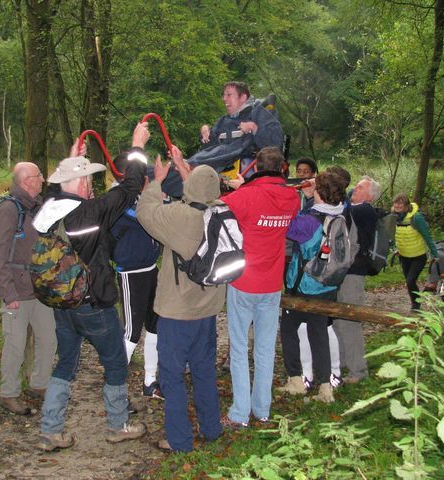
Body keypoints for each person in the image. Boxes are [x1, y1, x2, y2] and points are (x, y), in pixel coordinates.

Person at [35, 125, 149, 452]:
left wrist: (72, 159)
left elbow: (58, 189)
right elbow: (129, 188)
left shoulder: (48, 208)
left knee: (65, 363)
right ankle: (118, 425)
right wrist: (137, 146)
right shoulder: (90, 212)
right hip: (93, 303)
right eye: (88, 178)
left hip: (61, 302)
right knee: (114, 362)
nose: (91, 184)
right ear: (83, 183)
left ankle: (50, 430)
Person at [137, 148, 226, 452]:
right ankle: (211, 429)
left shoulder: (179, 217)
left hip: (177, 314)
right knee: (204, 371)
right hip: (208, 310)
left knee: (172, 378)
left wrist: (156, 182)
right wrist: (187, 171)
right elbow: (201, 193)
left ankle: (179, 441)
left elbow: (146, 213)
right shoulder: (222, 213)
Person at [221, 146, 300, 427]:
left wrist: (238, 187)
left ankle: (240, 413)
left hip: (244, 282)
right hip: (272, 284)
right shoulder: (293, 197)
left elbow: (219, 206)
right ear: (282, 168)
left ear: (255, 167)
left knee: (240, 348)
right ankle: (262, 410)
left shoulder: (245, 196)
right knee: (266, 349)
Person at [0, 162, 57, 415]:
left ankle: (39, 385)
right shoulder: (8, 209)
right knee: (15, 345)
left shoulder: (39, 207)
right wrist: (8, 293)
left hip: (40, 289)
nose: (42, 179)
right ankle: (9, 393)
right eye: (38, 175)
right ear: (25, 180)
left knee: (49, 339)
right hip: (17, 291)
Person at [279, 172, 347, 403]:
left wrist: (294, 198)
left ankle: (296, 380)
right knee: (319, 334)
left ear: (319, 191)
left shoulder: (309, 221)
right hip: (327, 286)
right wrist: (311, 198)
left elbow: (287, 227)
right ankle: (326, 387)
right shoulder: (339, 214)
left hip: (304, 286)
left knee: (288, 330)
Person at [109, 149, 162, 399]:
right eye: (140, 173)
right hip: (131, 272)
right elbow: (144, 218)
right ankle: (114, 386)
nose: (145, 177)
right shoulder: (116, 200)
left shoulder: (137, 196)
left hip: (151, 268)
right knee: (131, 331)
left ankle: (150, 382)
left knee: (154, 326)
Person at [333, 175, 382, 384]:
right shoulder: (357, 209)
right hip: (346, 271)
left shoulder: (363, 210)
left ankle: (358, 371)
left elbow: (341, 213)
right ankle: (343, 362)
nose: (355, 190)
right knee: (338, 319)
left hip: (353, 272)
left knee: (350, 320)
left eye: (360, 188)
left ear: (370, 196)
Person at [200, 81, 284, 174]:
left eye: (229, 95)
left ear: (243, 97)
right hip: (222, 168)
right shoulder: (223, 121)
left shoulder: (260, 113)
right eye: (224, 95)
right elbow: (210, 150)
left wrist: (255, 129)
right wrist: (206, 133)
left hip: (249, 169)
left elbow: (276, 145)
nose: (224, 99)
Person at [392, 193, 438, 310]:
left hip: (418, 256)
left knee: (410, 280)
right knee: (409, 282)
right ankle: (415, 303)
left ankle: (416, 306)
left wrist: (434, 254)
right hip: (404, 255)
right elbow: (392, 236)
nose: (397, 205)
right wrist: (394, 248)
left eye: (400, 203)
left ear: (406, 205)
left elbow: (427, 236)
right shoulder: (393, 217)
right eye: (395, 203)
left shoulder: (416, 218)